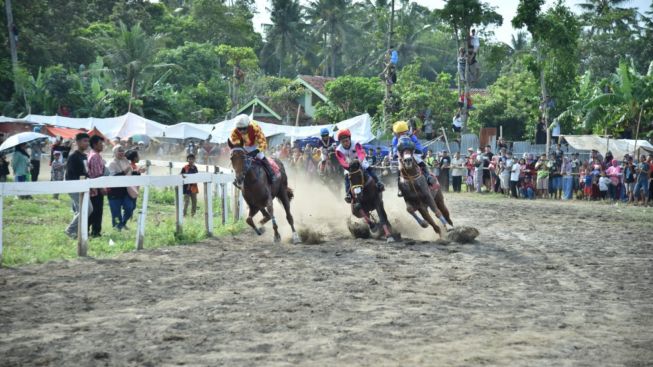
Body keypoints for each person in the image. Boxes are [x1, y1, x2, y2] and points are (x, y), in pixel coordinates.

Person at [335, 129, 383, 203]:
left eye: (347, 140)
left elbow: (361, 153)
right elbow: (342, 162)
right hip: (349, 165)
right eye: (343, 142)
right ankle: (348, 194)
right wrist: (349, 167)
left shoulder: (356, 144)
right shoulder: (338, 150)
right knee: (346, 177)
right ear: (340, 142)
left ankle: (378, 183)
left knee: (368, 169)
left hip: (360, 161)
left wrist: (358, 162)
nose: (345, 143)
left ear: (350, 139)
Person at [229, 114, 275, 186]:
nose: (242, 131)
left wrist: (256, 151)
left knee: (261, 156)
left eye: (244, 128)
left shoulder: (255, 127)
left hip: (255, 145)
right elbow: (237, 145)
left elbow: (263, 143)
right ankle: (237, 177)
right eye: (239, 129)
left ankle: (271, 173)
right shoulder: (234, 132)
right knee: (237, 158)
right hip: (243, 146)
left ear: (248, 125)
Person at [391, 120, 433, 191]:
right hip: (402, 154)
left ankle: (427, 176)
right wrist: (395, 153)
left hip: (413, 152)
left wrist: (419, 150)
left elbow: (417, 144)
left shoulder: (411, 136)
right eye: (399, 133)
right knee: (399, 167)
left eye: (402, 132)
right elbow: (394, 147)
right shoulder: (395, 138)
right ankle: (399, 184)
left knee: (420, 162)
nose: (400, 134)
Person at [65, 133, 92, 239]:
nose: (87, 143)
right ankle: (70, 230)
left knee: (78, 211)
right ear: (77, 142)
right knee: (87, 209)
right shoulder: (73, 156)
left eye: (88, 141)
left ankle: (75, 233)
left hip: (83, 186)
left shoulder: (84, 156)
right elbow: (72, 174)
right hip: (74, 186)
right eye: (85, 141)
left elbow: (85, 171)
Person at [107, 146, 136, 230]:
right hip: (114, 191)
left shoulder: (126, 161)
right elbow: (113, 177)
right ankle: (117, 229)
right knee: (116, 213)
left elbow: (129, 173)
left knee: (130, 207)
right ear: (114, 152)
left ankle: (122, 223)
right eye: (119, 151)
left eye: (123, 151)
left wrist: (137, 172)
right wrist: (124, 172)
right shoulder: (111, 163)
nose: (121, 153)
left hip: (126, 189)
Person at [87, 135, 107, 237]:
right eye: (100, 143)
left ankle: (92, 231)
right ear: (95, 144)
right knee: (96, 211)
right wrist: (102, 188)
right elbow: (96, 175)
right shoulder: (95, 156)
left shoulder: (94, 155)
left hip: (94, 188)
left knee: (94, 211)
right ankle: (94, 232)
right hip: (95, 190)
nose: (102, 145)